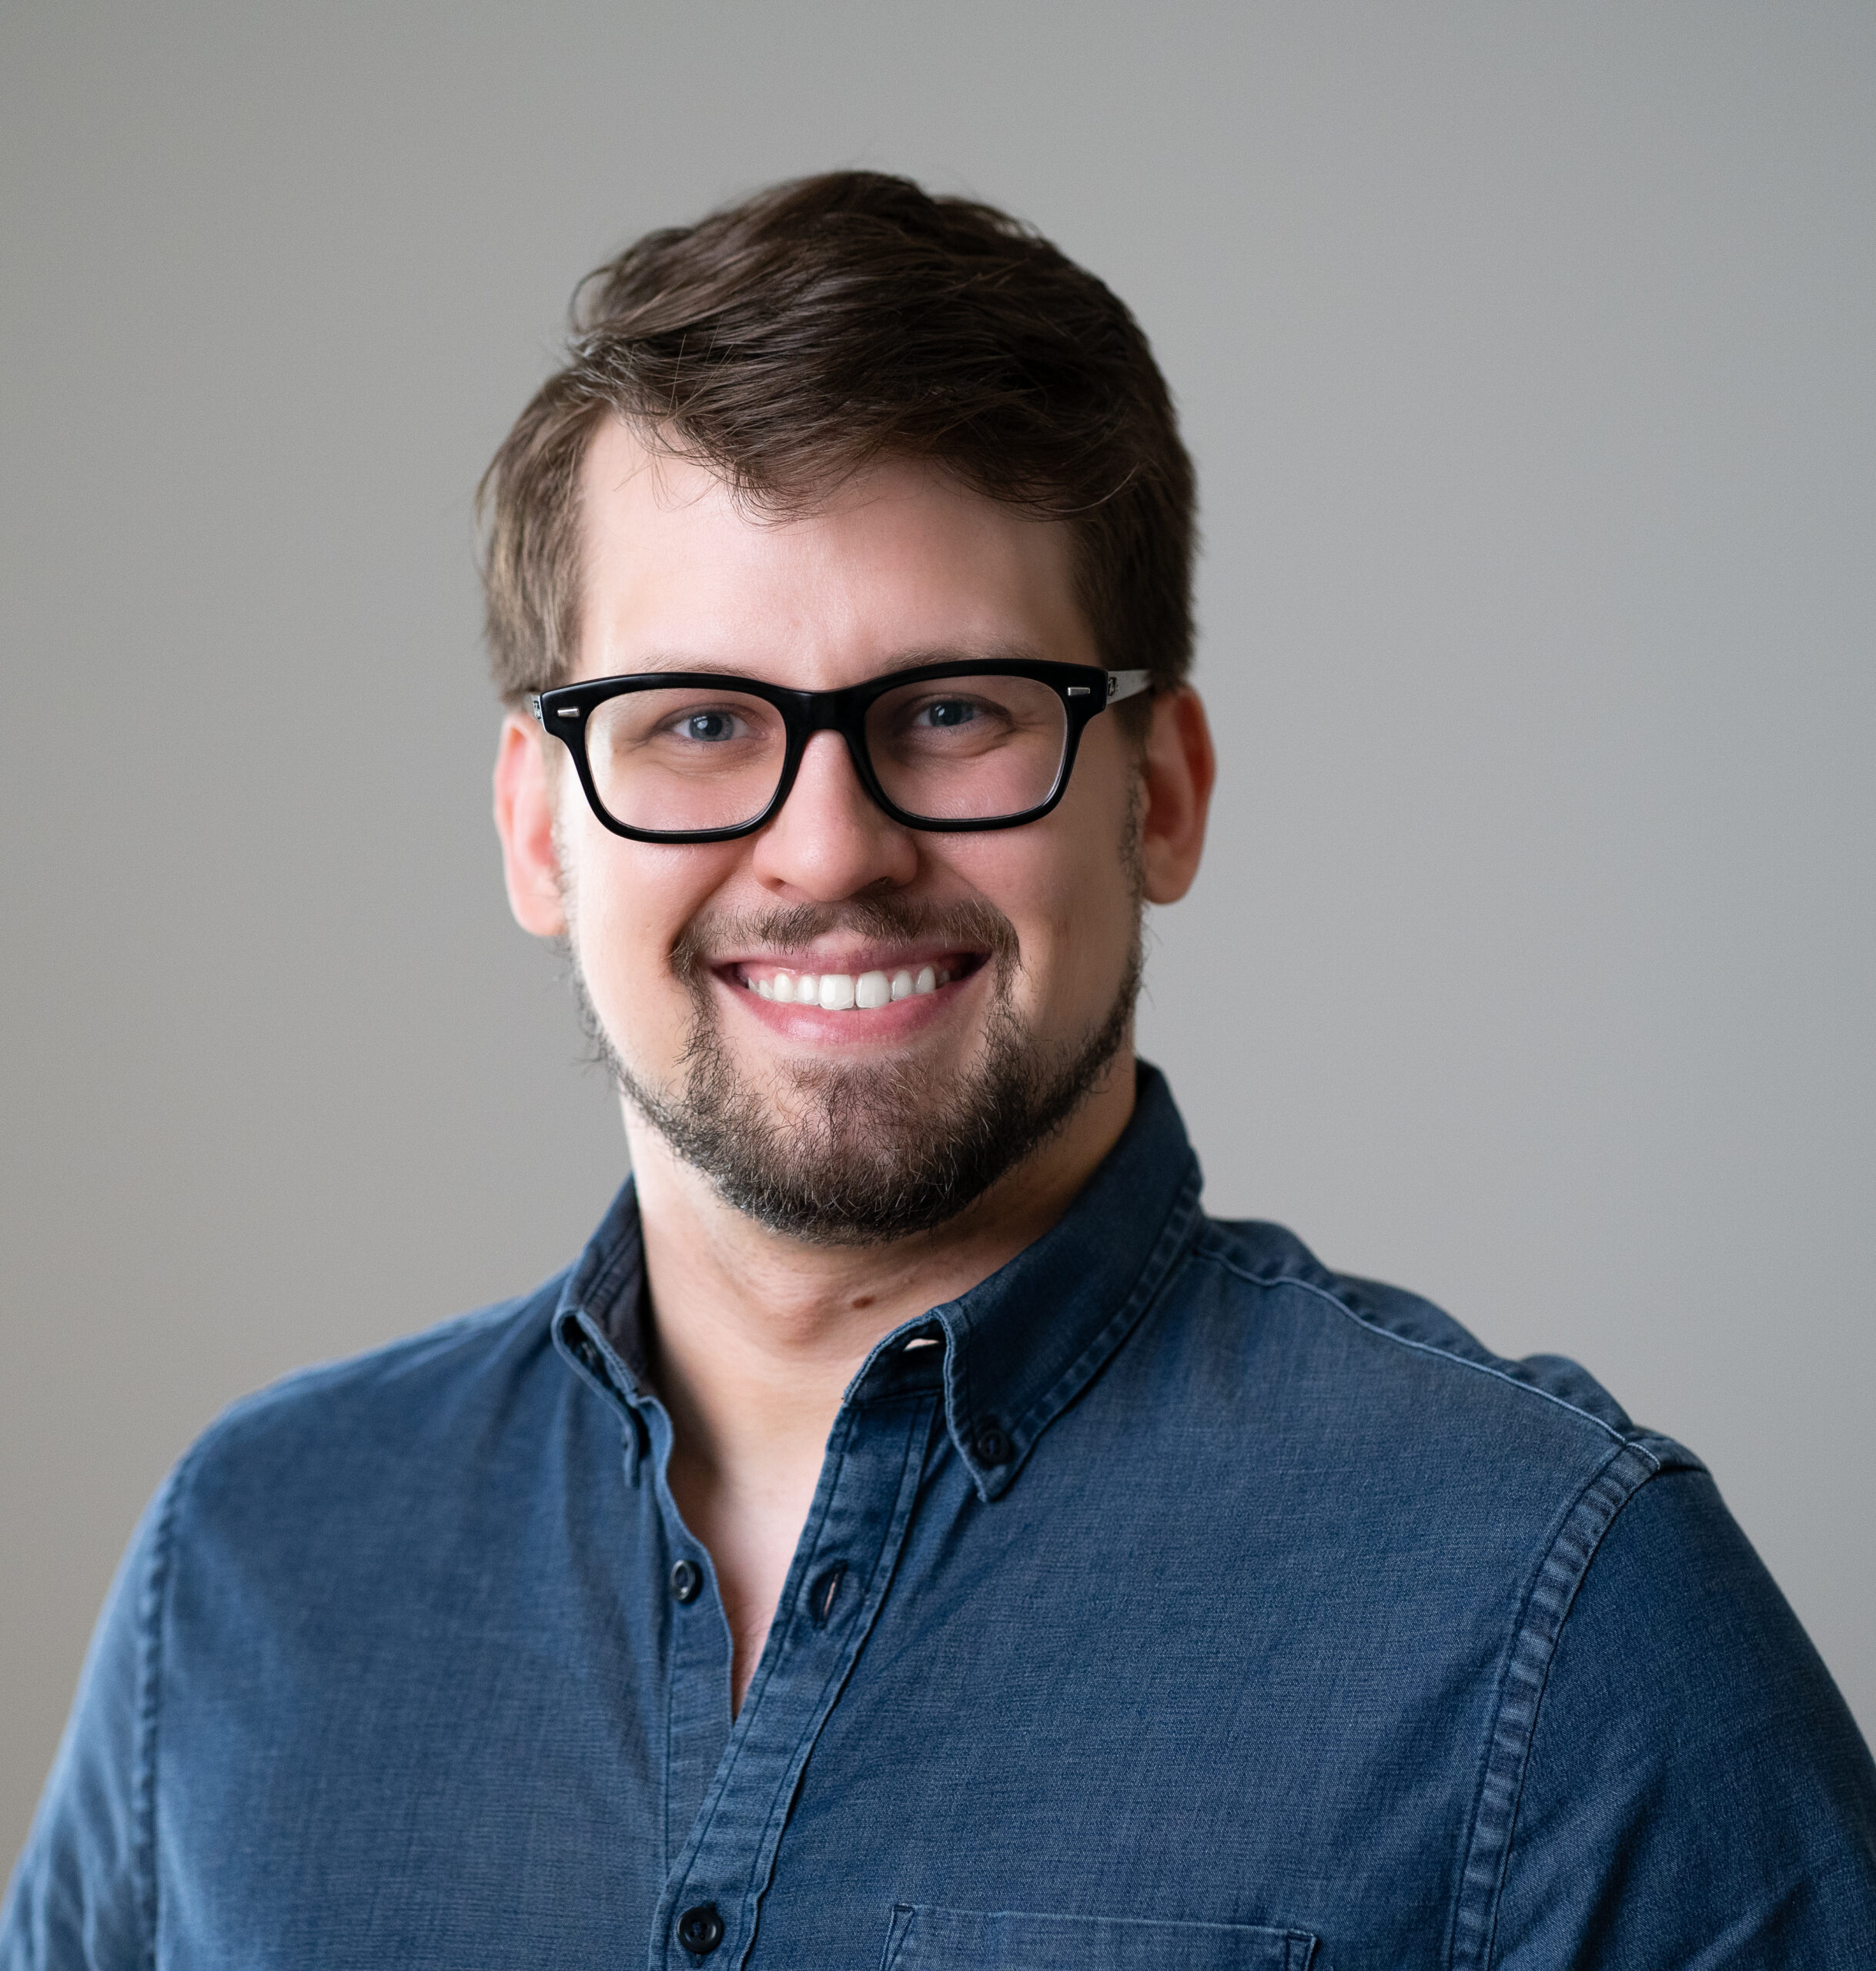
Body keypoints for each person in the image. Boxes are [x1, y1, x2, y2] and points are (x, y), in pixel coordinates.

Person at [5, 171, 1873, 1971]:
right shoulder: (246, 1570)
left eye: (956, 709)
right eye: (695, 721)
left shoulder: (1555, 1606)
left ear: (1160, 788)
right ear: (536, 825)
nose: (825, 850)